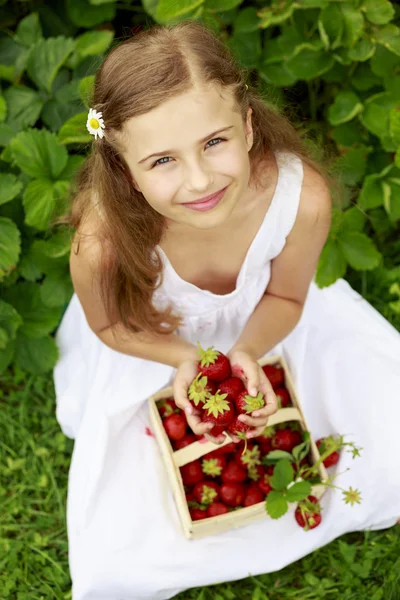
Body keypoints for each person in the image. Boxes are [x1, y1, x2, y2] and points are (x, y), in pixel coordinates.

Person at [54, 20, 400, 600]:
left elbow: (288, 297)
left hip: (268, 324)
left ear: (245, 127)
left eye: (214, 142)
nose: (200, 179)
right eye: (162, 161)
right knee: (128, 541)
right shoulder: (103, 242)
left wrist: (245, 351)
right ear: (124, 169)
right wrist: (183, 356)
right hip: (154, 339)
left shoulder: (299, 196)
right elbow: (111, 325)